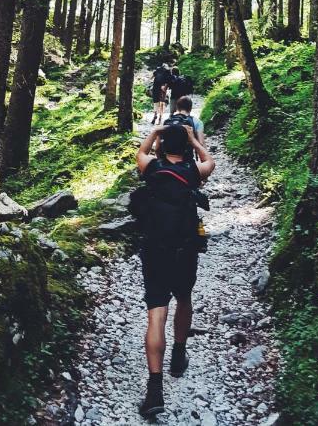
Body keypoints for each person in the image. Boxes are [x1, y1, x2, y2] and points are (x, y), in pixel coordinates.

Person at [135, 121, 215, 419]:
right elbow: (210, 161)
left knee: (157, 313)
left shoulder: (152, 169)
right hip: (185, 249)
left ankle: (155, 390)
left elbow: (140, 153)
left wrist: (155, 134)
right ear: (185, 147)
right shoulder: (194, 172)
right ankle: (179, 356)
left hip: (155, 251)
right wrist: (195, 141)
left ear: (163, 145)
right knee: (184, 298)